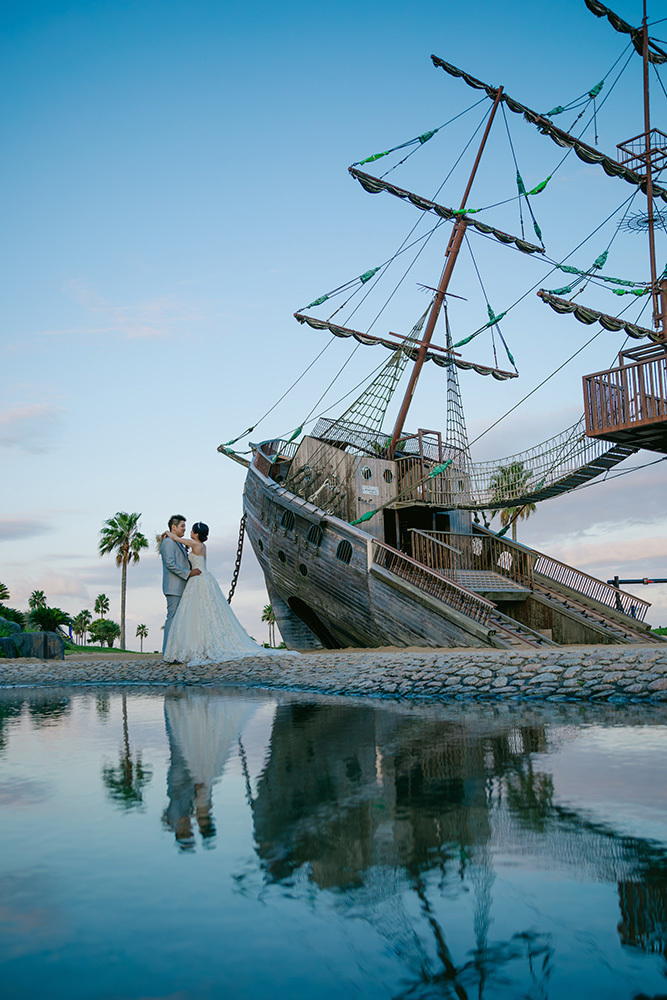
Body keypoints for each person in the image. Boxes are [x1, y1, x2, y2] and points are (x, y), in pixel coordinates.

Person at [162, 521, 295, 664]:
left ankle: (195, 645)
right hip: (203, 577)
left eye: (191, 531)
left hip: (197, 579)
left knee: (196, 612)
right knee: (206, 612)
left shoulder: (195, 544)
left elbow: (177, 539)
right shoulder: (201, 546)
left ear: (195, 534)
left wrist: (168, 533)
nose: (189, 532)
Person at [160, 515, 202, 657]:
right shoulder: (168, 543)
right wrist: (188, 573)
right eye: (182, 526)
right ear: (174, 527)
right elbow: (170, 564)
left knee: (179, 621)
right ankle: (167, 652)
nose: (185, 528)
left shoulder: (176, 542)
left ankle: (175, 651)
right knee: (172, 619)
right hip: (174, 587)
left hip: (182, 587)